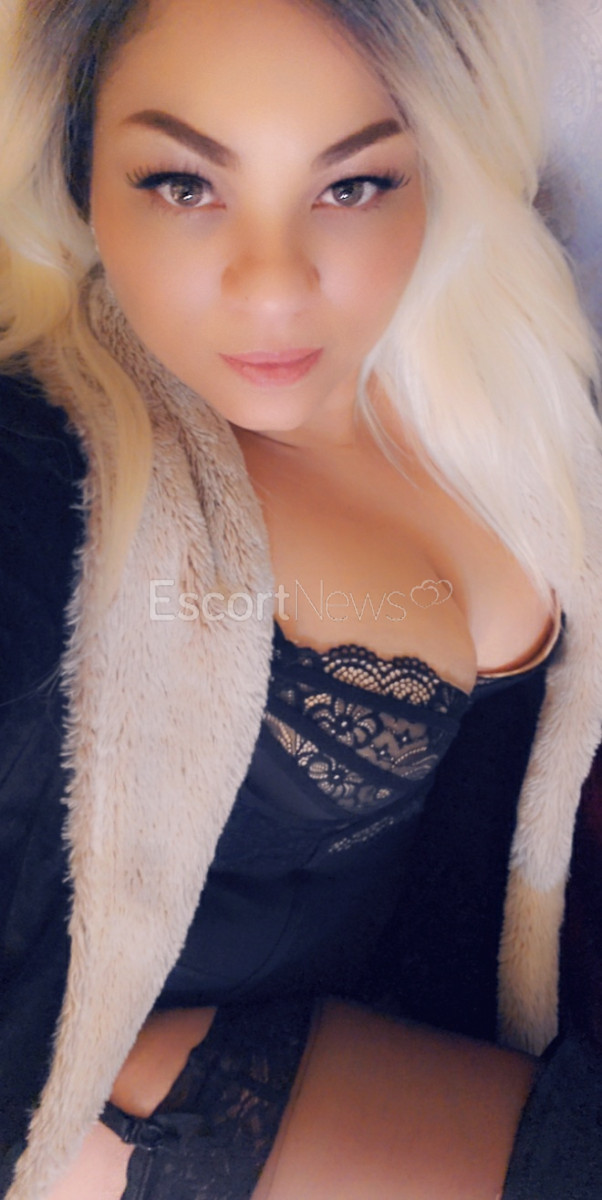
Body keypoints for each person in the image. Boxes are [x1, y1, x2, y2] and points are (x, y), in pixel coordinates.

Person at [1, 0, 601, 1197]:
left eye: (351, 185)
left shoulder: (503, 386)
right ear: (80, 177)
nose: (271, 286)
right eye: (182, 184)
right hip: (131, 1108)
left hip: (421, 1039)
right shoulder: (49, 463)